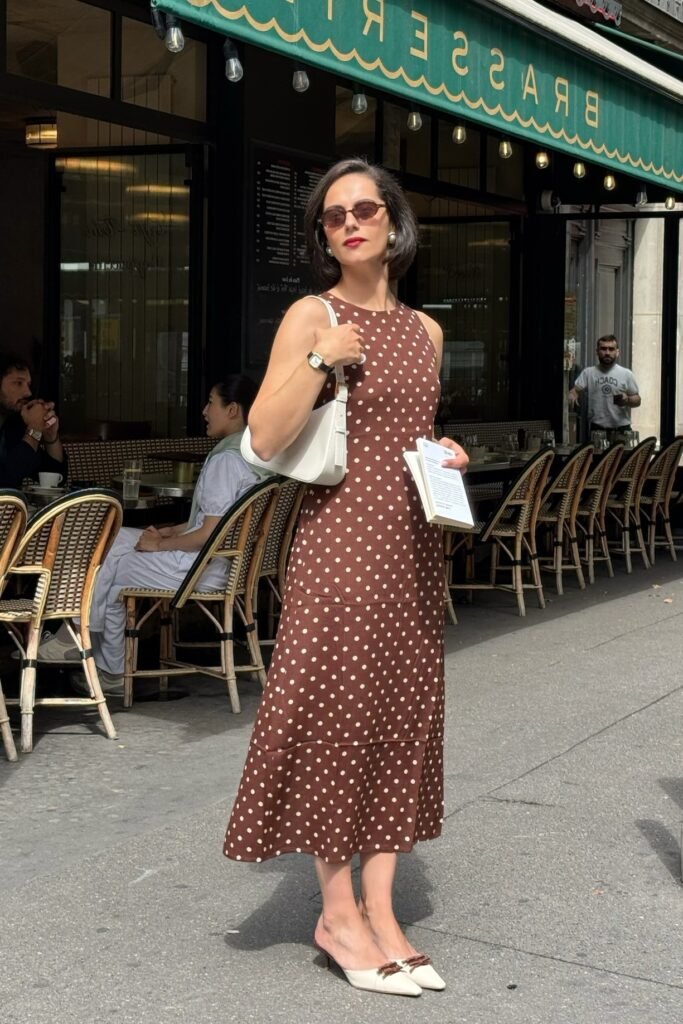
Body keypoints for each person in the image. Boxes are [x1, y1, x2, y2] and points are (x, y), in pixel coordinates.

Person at [224, 158, 468, 997]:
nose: (351, 224)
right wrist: (325, 357)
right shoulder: (311, 313)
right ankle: (335, 912)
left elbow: (406, 434)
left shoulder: (427, 333)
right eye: (334, 217)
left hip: (409, 550)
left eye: (366, 210)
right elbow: (261, 434)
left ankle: (383, 907)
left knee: (402, 718)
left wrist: (442, 455)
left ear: (396, 222)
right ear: (323, 235)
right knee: (336, 718)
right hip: (338, 551)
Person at [35, 375, 269, 694]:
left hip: (203, 568)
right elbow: (219, 519)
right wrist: (171, 529)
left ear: (232, 410)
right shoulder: (253, 453)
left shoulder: (226, 460)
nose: (203, 411)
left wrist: (160, 543)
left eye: (210, 403)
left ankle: (108, 667)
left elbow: (209, 533)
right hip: (228, 564)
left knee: (115, 569)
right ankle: (74, 635)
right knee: (112, 540)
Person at [0, 353, 66, 489]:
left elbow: (55, 479)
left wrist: (50, 437)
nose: (28, 393)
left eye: (28, 384)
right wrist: (35, 429)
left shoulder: (14, 425)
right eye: (18, 383)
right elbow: (6, 480)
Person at [568, 334, 641, 436]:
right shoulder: (588, 373)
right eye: (603, 349)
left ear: (617, 352)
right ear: (597, 351)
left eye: (611, 349)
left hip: (621, 429)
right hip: (597, 429)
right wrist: (573, 394)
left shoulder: (626, 374)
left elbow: (637, 400)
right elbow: (575, 390)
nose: (607, 353)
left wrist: (627, 400)